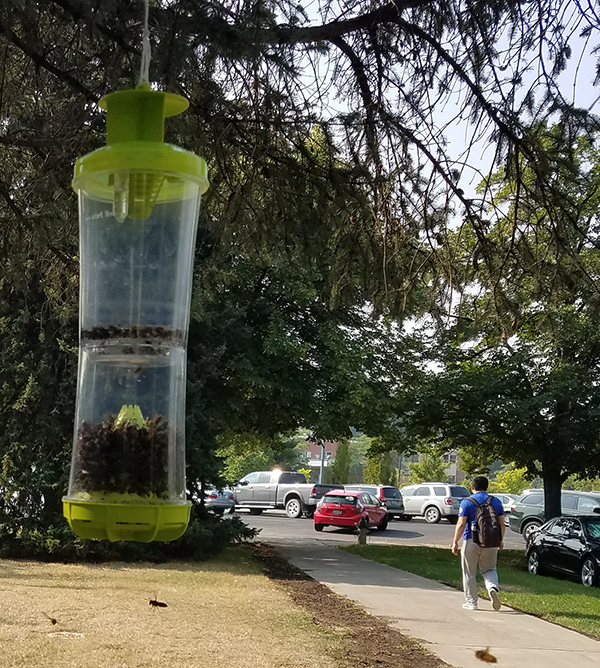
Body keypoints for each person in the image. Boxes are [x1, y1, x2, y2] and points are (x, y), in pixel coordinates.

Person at [451, 476, 505, 611]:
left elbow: (461, 523)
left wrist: (455, 542)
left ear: (472, 487)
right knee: (489, 569)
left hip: (471, 540)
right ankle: (492, 588)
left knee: (469, 573)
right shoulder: (496, 502)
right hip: (491, 542)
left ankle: (472, 602)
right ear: (487, 487)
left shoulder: (467, 502)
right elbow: (501, 524)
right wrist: (500, 539)